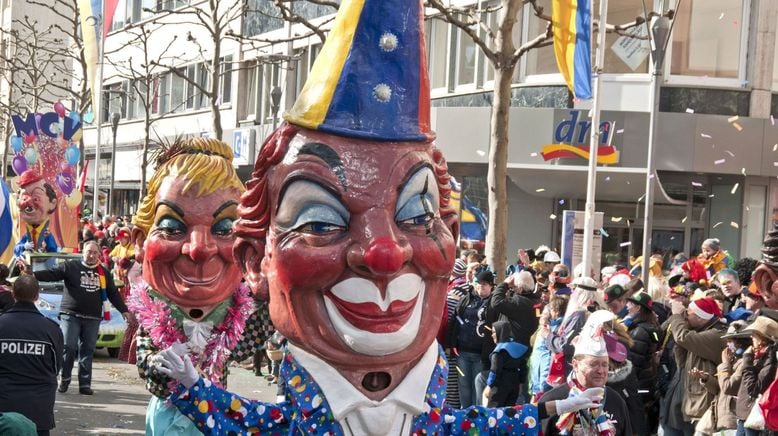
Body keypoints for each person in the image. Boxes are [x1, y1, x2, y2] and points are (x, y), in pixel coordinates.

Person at [150, 0, 604, 432]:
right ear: (255, 259)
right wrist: (191, 387)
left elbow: (474, 425)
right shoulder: (307, 414)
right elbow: (250, 420)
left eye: (416, 214)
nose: (385, 252)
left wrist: (554, 407)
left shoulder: (426, 409)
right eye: (321, 221)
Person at [127, 137, 272, 434]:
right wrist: (164, 366)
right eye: (171, 227)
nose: (199, 249)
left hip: (214, 415)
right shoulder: (154, 316)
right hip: (169, 416)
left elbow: (254, 335)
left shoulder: (240, 315)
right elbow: (147, 363)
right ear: (141, 242)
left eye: (224, 229)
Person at [17, 240, 130, 395]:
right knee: (69, 347)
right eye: (89, 252)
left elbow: (113, 293)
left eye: (95, 253)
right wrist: (32, 273)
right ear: (83, 252)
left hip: (92, 316)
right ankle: (64, 380)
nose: (91, 255)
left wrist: (125, 311)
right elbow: (52, 274)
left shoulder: (103, 272)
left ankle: (84, 384)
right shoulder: (70, 266)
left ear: (99, 255)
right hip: (71, 314)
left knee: (87, 350)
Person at [541, 312, 632, 436]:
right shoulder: (552, 400)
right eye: (593, 364)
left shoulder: (615, 400)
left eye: (604, 365)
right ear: (575, 364)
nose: (600, 371)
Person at [0, 274, 64, 435]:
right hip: (39, 410)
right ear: (37, 296)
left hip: (4, 412)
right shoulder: (51, 329)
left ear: (13, 294)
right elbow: (56, 368)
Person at [661, 296, 726, 436]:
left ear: (701, 318)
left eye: (689, 313)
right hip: (683, 401)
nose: (686, 316)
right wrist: (682, 320)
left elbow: (683, 337)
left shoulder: (716, 335)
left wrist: (677, 316)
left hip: (699, 407)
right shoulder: (699, 331)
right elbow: (681, 361)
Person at [447, 270, 497, 407]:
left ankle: (476, 417)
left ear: (491, 286)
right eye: (479, 283)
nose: (481, 286)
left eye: (485, 284)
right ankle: (464, 415)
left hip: (481, 354)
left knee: (478, 388)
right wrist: (450, 344)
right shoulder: (466, 299)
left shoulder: (494, 302)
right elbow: (454, 321)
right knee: (463, 386)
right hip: (462, 352)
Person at [734, 316, 778, 436]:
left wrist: (747, 360)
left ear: (762, 339)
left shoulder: (770, 360)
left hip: (755, 416)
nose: (751, 337)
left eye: (754, 334)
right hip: (746, 414)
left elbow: (754, 389)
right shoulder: (758, 356)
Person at [481, 320, 528, 407]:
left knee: (496, 413)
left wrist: (489, 386)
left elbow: (494, 370)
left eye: (494, 332)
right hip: (515, 383)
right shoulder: (517, 348)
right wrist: (521, 383)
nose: (492, 335)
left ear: (500, 332)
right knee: (509, 412)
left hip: (501, 385)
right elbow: (523, 367)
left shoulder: (499, 351)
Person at [13, 170, 59, 258]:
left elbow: (54, 252)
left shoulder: (47, 235)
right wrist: (24, 246)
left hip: (43, 269)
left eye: (36, 198)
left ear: (52, 204)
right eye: (25, 197)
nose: (29, 201)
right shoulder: (27, 235)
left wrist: (45, 251)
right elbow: (16, 249)